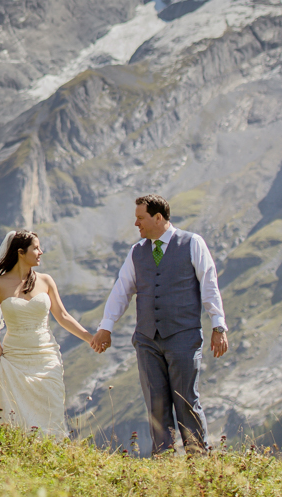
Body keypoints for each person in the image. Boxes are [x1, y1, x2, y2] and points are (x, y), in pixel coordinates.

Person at [91, 194, 228, 456]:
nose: (136, 224)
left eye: (140, 218)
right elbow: (122, 290)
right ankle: (163, 461)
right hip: (146, 339)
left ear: (158, 217)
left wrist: (218, 327)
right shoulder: (136, 252)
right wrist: (105, 327)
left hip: (183, 337)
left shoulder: (192, 243)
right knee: (156, 403)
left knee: (187, 401)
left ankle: (198, 461)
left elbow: (209, 285)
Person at [0, 229, 96, 437]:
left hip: (45, 355)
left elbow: (63, 316)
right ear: (21, 252)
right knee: (14, 408)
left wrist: (90, 338)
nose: (41, 252)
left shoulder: (46, 281)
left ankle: (51, 449)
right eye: (36, 248)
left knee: (50, 404)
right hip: (14, 356)